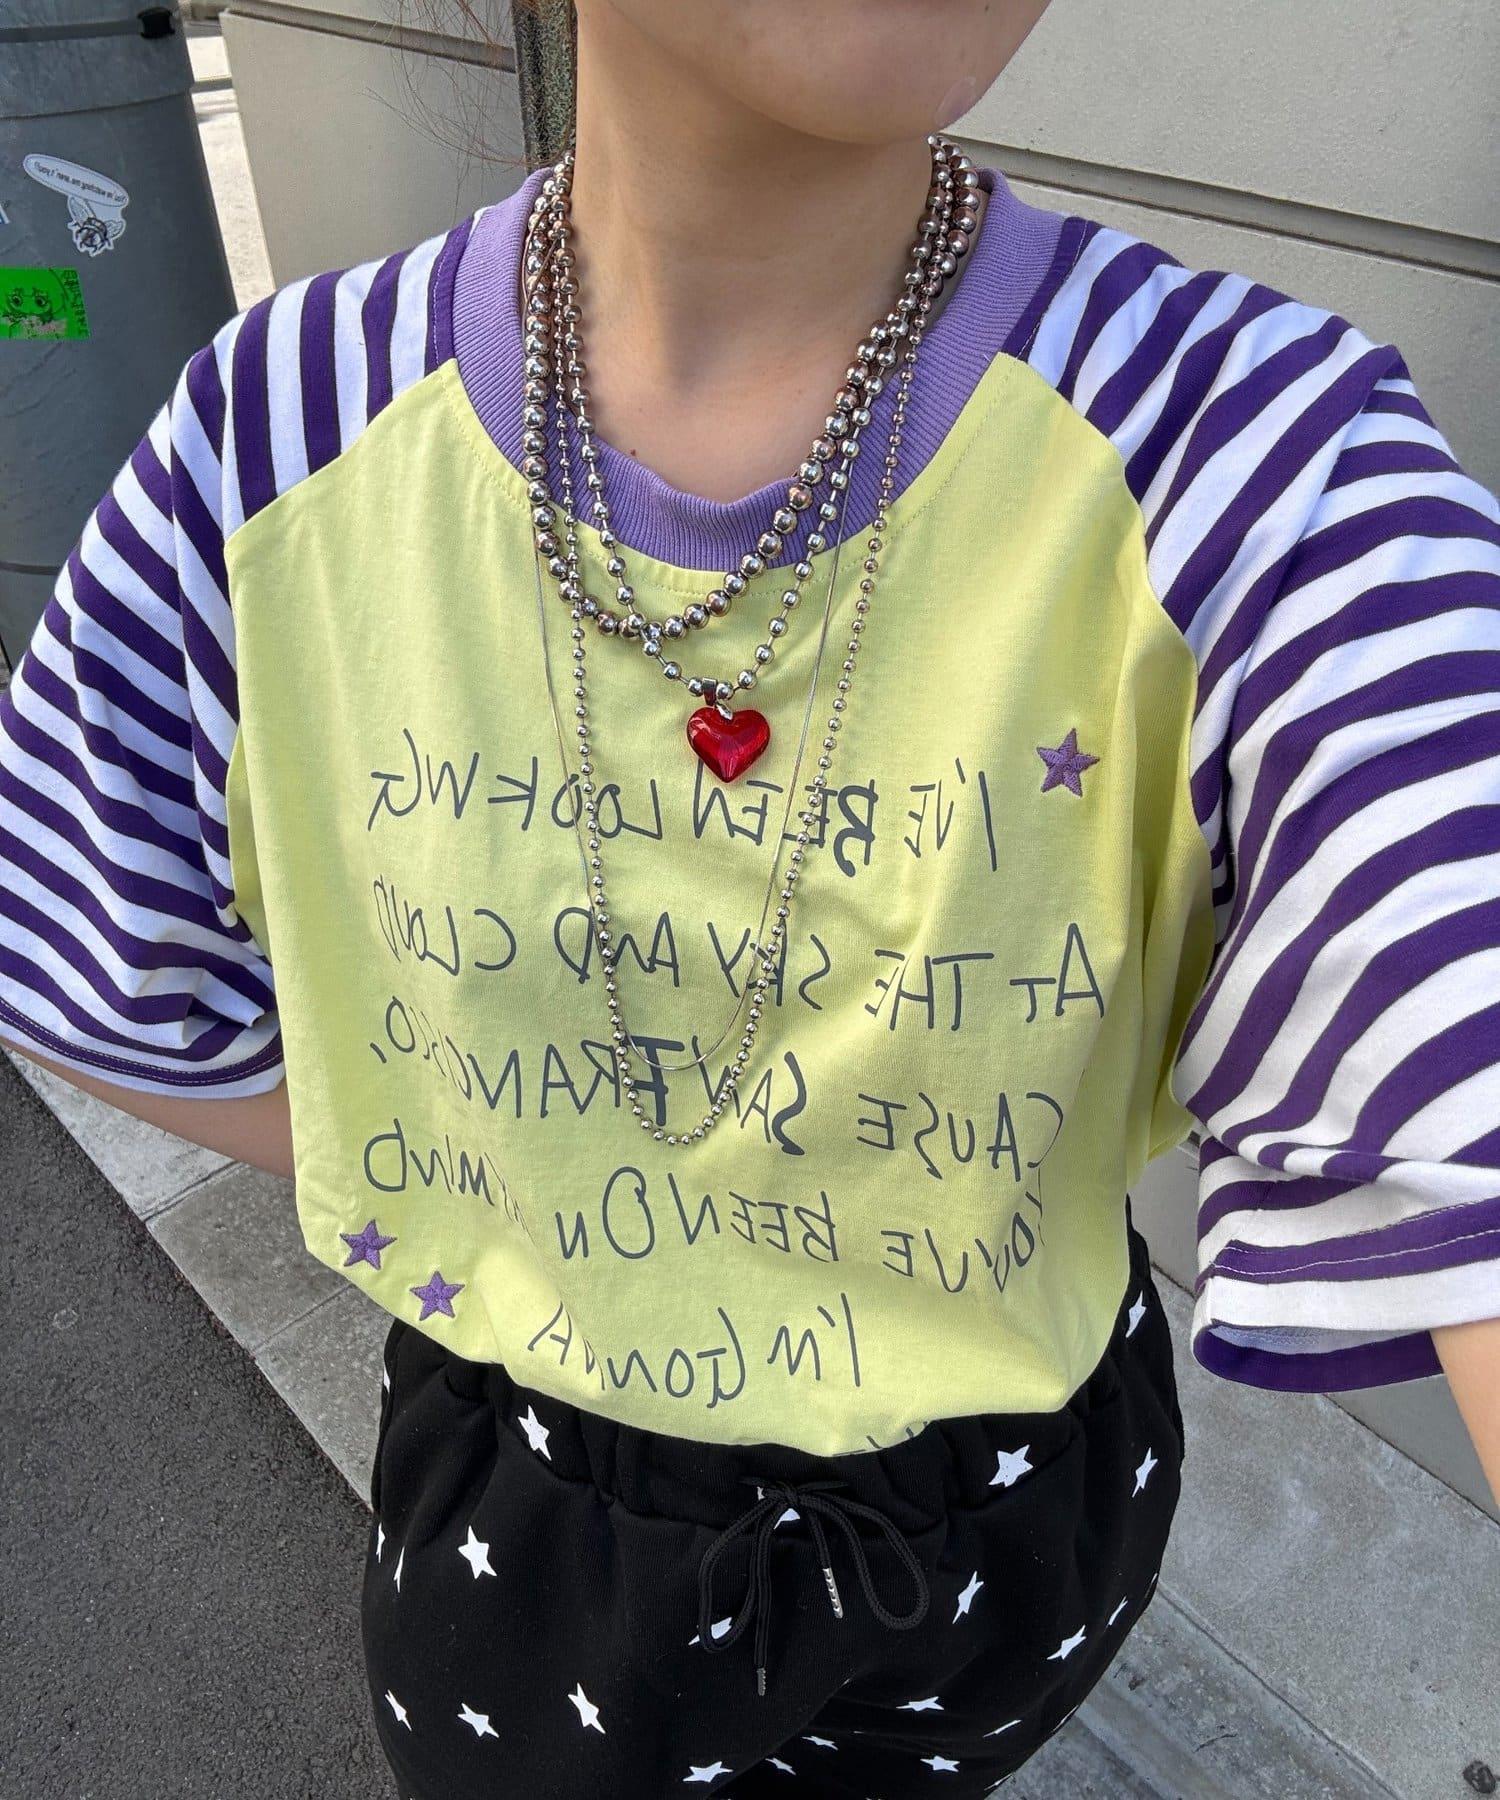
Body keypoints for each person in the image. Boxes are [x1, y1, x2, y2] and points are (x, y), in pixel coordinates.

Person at [2, 2, 1497, 1794]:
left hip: (1010, 1526)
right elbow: (76, 940)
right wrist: (484, 1173)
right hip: (535, 1537)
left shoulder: (1260, 464)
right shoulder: (279, 440)